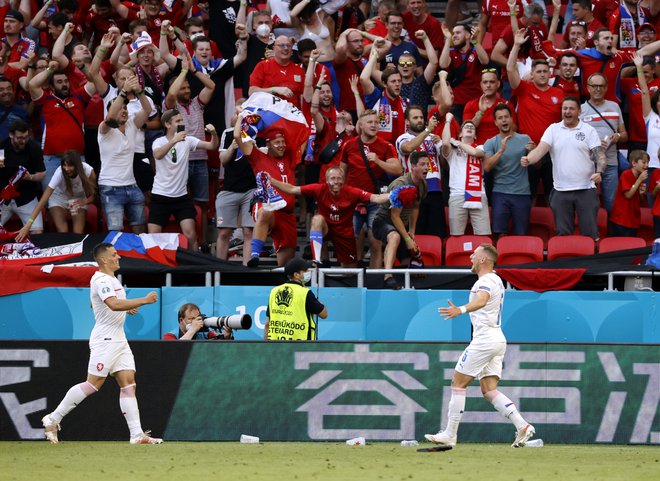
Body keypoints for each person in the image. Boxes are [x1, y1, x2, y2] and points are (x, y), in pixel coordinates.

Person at [41, 242, 162, 445]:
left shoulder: (108, 280)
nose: (118, 257)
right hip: (106, 339)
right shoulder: (102, 280)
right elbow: (112, 304)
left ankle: (137, 435)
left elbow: (95, 302)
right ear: (104, 259)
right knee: (92, 384)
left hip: (119, 338)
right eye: (114, 255)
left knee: (128, 383)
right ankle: (53, 418)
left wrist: (126, 308)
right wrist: (143, 300)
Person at [425, 244, 536, 448]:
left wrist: (461, 309)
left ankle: (450, 434)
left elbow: (482, 300)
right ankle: (522, 426)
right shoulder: (497, 280)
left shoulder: (485, 281)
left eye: (474, 255)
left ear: (483, 259)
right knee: (489, 390)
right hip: (497, 338)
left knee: (458, 384)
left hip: (485, 340)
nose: (470, 257)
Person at [268, 166, 389, 267]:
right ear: (326, 180)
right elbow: (292, 189)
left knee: (349, 271)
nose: (336, 181)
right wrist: (272, 181)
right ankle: (317, 259)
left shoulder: (352, 191)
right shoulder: (319, 188)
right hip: (326, 228)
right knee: (317, 219)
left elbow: (375, 198)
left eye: (339, 178)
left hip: (344, 233)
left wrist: (393, 194)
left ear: (344, 180)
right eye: (333, 178)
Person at [521, 96, 605, 239]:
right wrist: (528, 159)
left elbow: (601, 156)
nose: (567, 111)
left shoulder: (588, 130)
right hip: (561, 191)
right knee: (563, 235)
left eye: (571, 108)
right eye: (564, 108)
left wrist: (599, 172)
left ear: (579, 111)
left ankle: (591, 261)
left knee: (590, 235)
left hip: (585, 189)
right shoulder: (553, 129)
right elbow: (540, 150)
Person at [339, 109, 402, 268]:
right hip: (352, 200)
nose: (374, 125)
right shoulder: (349, 145)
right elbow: (341, 173)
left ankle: (375, 282)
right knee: (348, 243)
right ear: (360, 125)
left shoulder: (385, 146)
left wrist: (379, 161)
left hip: (375, 200)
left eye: (376, 122)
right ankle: (349, 282)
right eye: (370, 122)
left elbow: (398, 169)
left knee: (375, 242)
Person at [151, 109, 220, 250]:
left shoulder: (188, 140)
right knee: (153, 237)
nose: (182, 123)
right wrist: (174, 140)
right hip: (160, 195)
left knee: (191, 236)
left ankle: (194, 269)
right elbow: (157, 155)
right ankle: (155, 268)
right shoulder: (159, 141)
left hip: (181, 197)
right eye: (178, 121)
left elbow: (212, 146)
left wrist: (213, 134)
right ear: (167, 125)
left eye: (182, 120)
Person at [97, 75, 153, 234]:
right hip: (110, 187)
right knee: (115, 231)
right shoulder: (104, 129)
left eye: (126, 108)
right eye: (120, 107)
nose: (124, 110)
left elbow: (148, 110)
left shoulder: (132, 124)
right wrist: (123, 92)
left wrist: (139, 92)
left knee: (140, 230)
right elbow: (109, 118)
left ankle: (136, 258)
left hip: (132, 185)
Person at [372, 151, 429, 290]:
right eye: (422, 164)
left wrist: (412, 231)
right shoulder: (401, 185)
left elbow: (415, 208)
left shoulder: (422, 185)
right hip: (383, 221)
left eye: (427, 164)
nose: (426, 168)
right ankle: (387, 277)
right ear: (413, 166)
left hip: (401, 224)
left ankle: (405, 283)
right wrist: (407, 240)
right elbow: (394, 216)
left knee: (410, 255)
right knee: (395, 237)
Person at [15, 151, 96, 242]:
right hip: (58, 198)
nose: (66, 168)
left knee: (78, 234)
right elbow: (43, 200)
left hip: (78, 199)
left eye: (70, 165)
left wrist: (84, 202)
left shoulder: (88, 171)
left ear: (77, 165)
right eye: (64, 165)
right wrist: (28, 225)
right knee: (63, 233)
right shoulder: (59, 173)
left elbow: (94, 195)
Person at [580, 72, 628, 214]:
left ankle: (612, 235)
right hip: (587, 163)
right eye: (594, 86)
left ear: (607, 88)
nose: (598, 89)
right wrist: (592, 143)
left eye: (601, 86)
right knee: (588, 203)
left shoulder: (615, 107)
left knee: (611, 202)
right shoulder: (580, 110)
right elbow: (573, 137)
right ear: (587, 88)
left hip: (611, 163)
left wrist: (618, 136)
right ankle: (591, 234)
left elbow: (625, 135)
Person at [395, 106, 444, 238]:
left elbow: (444, 164)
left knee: (436, 235)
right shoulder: (403, 138)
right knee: (416, 234)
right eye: (415, 118)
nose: (419, 120)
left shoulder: (433, 137)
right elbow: (408, 148)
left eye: (421, 117)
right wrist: (428, 130)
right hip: (413, 191)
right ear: (407, 121)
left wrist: (441, 145)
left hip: (435, 189)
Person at [441, 116, 491, 236]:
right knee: (456, 235)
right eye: (466, 126)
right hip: (457, 195)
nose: (469, 127)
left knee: (483, 236)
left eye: (472, 127)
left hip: (478, 194)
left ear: (475, 136)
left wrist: (457, 142)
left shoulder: (481, 147)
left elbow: (475, 153)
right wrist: (448, 121)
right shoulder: (452, 151)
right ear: (460, 133)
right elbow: (445, 142)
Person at [0, 120, 46, 236]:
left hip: (27, 198)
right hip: (3, 198)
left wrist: (30, 177)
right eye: (20, 138)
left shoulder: (34, 148)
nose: (23, 141)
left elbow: (42, 174)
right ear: (11, 135)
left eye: (26, 137)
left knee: (37, 231)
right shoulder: (2, 147)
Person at [264, 257, 327, 341]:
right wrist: (319, 302)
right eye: (306, 270)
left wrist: (265, 346)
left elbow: (268, 323)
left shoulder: (274, 291)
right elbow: (324, 314)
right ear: (296, 275)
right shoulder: (305, 293)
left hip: (276, 347)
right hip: (300, 348)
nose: (309, 272)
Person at [609, 150, 648, 237]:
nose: (646, 165)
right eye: (644, 162)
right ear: (634, 163)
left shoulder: (640, 177)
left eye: (647, 163)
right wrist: (638, 181)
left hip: (633, 219)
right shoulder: (626, 174)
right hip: (621, 219)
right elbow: (628, 195)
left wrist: (641, 194)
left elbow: (639, 199)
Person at [163, 303, 234, 340]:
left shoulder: (205, 333)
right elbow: (175, 349)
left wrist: (227, 336)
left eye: (197, 318)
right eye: (191, 319)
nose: (195, 322)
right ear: (181, 320)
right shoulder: (170, 336)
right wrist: (192, 329)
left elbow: (220, 343)